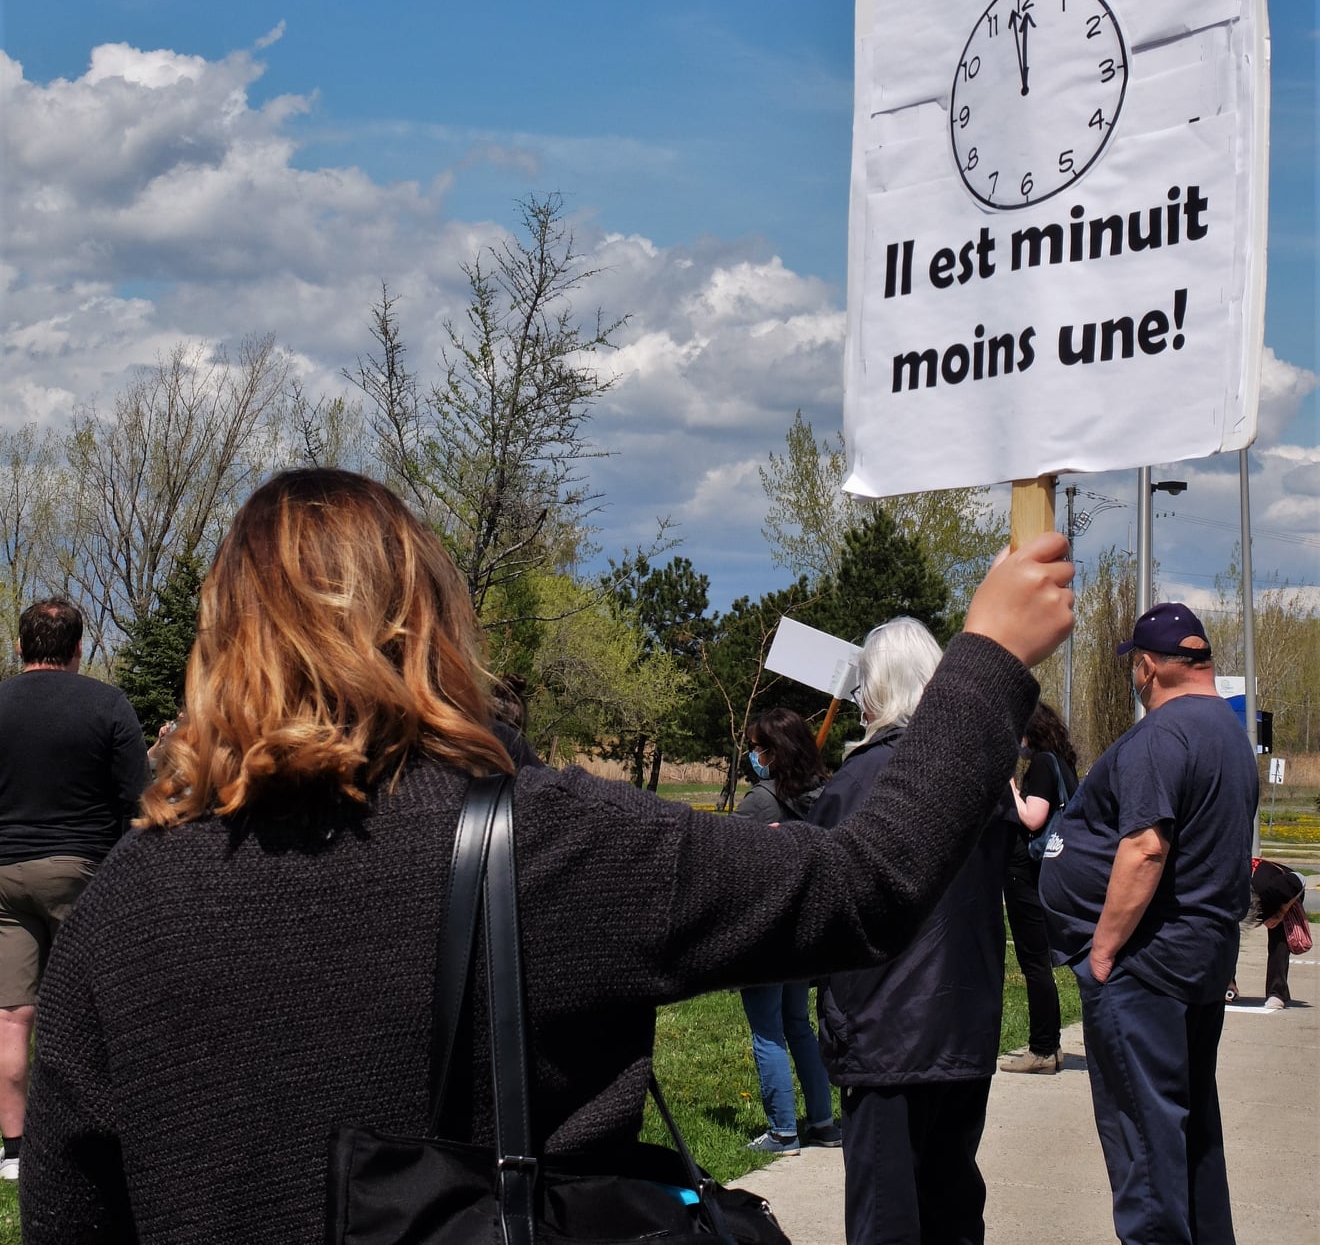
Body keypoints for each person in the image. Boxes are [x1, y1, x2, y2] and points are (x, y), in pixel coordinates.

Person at [21, 471, 1073, 1244]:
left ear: (220, 642)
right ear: (428, 620)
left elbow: (70, 1214)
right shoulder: (551, 846)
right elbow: (862, 887)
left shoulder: (124, 905)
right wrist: (983, 659)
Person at [1039, 602, 1258, 1245]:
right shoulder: (1227, 731)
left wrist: (1103, 950)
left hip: (1146, 966)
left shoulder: (1165, 734)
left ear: (1146, 667)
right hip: (1196, 956)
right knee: (1189, 1129)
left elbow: (1146, 847)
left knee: (1144, 1139)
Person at [811, 616, 1017, 1245]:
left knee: (887, 1216)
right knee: (952, 1205)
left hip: (883, 1035)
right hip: (962, 1024)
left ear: (878, 691)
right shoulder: (983, 782)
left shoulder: (857, 783)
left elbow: (819, 910)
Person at [0, 598, 149, 1182]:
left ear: (19, 646)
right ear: (80, 648)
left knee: (12, 1019)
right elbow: (139, 796)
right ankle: (96, 1138)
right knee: (92, 1010)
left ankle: (13, 1152)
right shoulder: (106, 703)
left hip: (4, 871)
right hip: (80, 870)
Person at [734, 707, 839, 1155]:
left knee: (767, 1031)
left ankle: (782, 1131)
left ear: (774, 753)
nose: (753, 755)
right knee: (797, 1024)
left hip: (766, 930)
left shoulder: (760, 801)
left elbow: (727, 863)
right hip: (806, 932)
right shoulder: (826, 795)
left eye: (758, 748)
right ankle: (823, 1121)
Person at [998, 702, 1079, 1074]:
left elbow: (1033, 817)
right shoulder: (1062, 764)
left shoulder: (1044, 765)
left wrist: (1011, 788)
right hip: (1049, 869)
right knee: (1038, 960)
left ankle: (1043, 1048)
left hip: (1026, 872)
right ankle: (1051, 1046)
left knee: (1034, 962)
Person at [1227, 859, 1307, 1011]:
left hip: (1287, 894)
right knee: (1228, 937)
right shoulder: (1223, 887)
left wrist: (1281, 912)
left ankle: (1277, 993)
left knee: (1279, 939)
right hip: (1249, 893)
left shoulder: (1271, 888)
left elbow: (1301, 879)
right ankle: (1229, 984)